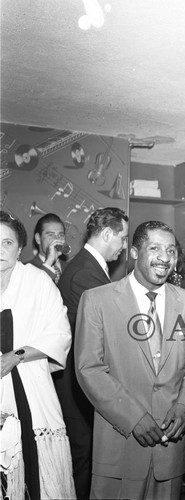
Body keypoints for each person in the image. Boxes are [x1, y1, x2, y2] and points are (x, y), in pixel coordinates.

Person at [75, 220, 185, 500]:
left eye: (171, 250)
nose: (165, 258)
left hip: (170, 453)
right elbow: (89, 369)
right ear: (133, 252)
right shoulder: (97, 300)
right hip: (118, 451)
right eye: (154, 248)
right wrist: (134, 418)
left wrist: (184, 406)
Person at [54, 206, 129, 500]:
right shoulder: (87, 273)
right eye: (122, 238)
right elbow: (113, 328)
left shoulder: (87, 266)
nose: (124, 246)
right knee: (83, 457)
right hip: (78, 382)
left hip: (76, 378)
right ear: (107, 234)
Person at [0, 211, 76, 499]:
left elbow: (59, 333)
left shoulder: (38, 282)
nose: (0, 250)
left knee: (36, 474)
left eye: (7, 243)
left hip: (30, 389)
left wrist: (16, 355)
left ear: (20, 248)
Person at [27, 212, 68, 284]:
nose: (56, 240)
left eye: (61, 235)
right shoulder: (26, 269)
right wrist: (49, 261)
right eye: (50, 235)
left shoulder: (71, 268)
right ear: (38, 238)